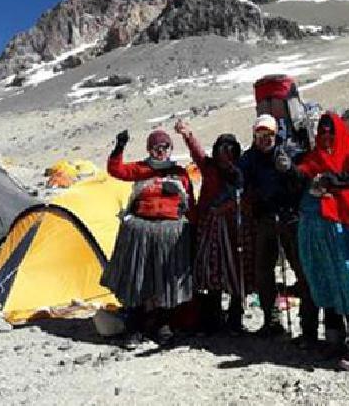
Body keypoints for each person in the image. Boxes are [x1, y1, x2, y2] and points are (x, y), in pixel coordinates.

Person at [276, 112, 349, 370]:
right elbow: (298, 180)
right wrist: (287, 169)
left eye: (330, 131)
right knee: (324, 281)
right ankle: (334, 340)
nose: (325, 136)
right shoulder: (313, 158)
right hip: (315, 230)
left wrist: (333, 182)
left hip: (343, 233)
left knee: (348, 282)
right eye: (321, 132)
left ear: (339, 132)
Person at [100, 128, 196, 348]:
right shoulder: (141, 169)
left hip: (170, 232)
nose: (160, 151)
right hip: (140, 231)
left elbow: (189, 201)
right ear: (149, 149)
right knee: (138, 277)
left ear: (170, 149)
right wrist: (119, 147)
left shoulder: (179, 172)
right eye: (156, 147)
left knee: (166, 280)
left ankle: (163, 326)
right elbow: (116, 170)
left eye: (165, 147)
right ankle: (135, 327)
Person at [237, 114, 318, 345]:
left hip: (290, 218)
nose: (265, 138)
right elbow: (239, 177)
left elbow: (303, 180)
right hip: (265, 219)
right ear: (255, 136)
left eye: (269, 134)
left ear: (276, 134)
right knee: (264, 271)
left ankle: (308, 327)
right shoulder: (250, 158)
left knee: (302, 272)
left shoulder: (289, 152)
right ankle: (271, 321)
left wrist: (290, 169)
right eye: (261, 135)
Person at [174, 119, 251, 335]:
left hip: (235, 228)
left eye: (230, 151)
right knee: (211, 272)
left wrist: (226, 207)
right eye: (221, 150)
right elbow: (197, 154)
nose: (225, 156)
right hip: (210, 227)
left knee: (236, 271)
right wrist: (187, 135)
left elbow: (246, 197)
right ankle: (213, 318)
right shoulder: (210, 169)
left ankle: (235, 318)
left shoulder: (241, 173)